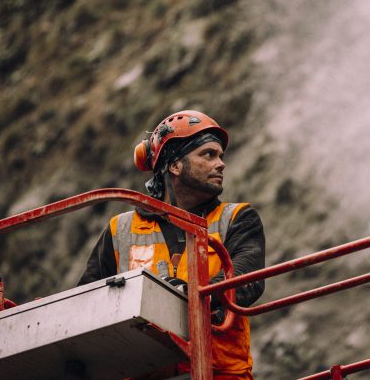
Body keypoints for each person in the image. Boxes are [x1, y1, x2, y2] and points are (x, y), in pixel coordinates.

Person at [78, 110, 265, 380]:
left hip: (217, 373)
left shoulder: (237, 219)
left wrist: (191, 297)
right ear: (175, 166)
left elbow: (245, 280)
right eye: (208, 155)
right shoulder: (120, 230)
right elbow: (88, 303)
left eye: (220, 155)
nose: (221, 163)